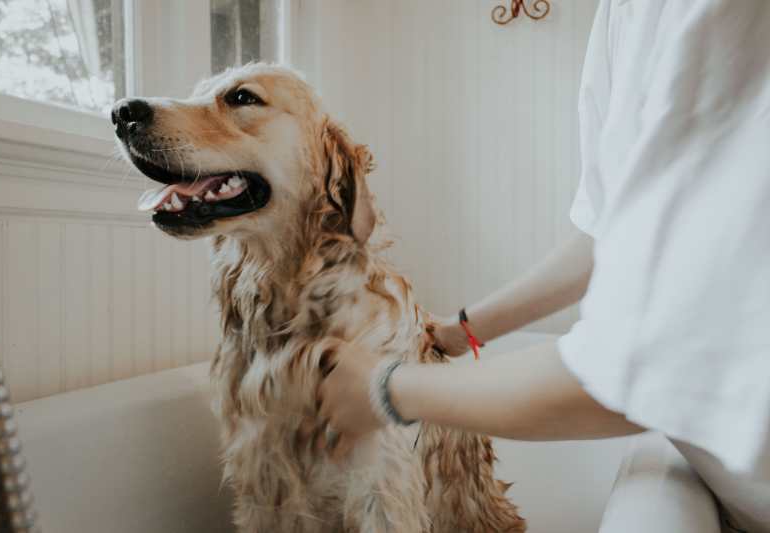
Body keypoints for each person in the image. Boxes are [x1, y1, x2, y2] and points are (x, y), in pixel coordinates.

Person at [316, 1, 770, 531]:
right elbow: (608, 239)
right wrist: (461, 331)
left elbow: (652, 364)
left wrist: (387, 391)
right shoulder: (623, 16)